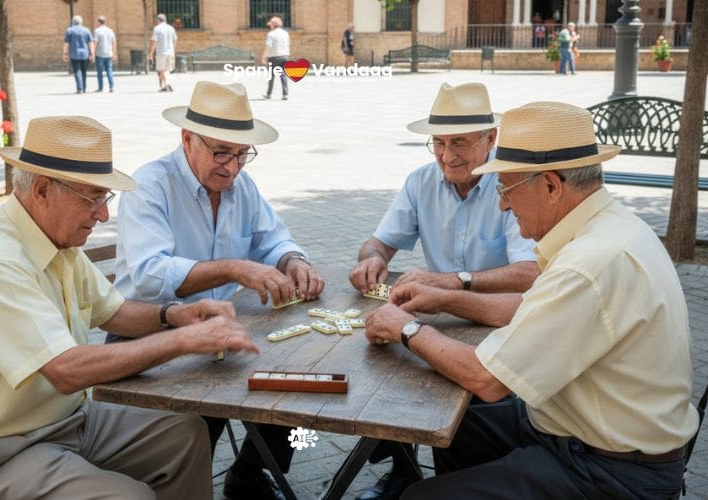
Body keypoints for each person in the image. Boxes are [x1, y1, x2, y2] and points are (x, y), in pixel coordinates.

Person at [365, 101, 699, 499]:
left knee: (420, 496)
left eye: (506, 188)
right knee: (462, 419)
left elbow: (486, 378)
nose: (503, 203)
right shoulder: (608, 227)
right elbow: (528, 310)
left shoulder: (586, 264)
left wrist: (404, 327)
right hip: (576, 428)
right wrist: (443, 299)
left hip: (612, 471)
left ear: (552, 186)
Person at [0, 115, 260, 499]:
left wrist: (175, 315)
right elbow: (66, 371)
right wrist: (185, 340)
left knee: (184, 433)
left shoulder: (54, 237)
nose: (103, 214)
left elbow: (114, 312)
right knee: (127, 497)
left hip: (65, 421)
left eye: (104, 198)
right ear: (44, 189)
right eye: (92, 197)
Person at [110, 81, 324, 499]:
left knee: (303, 386)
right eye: (221, 152)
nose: (232, 166)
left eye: (242, 154)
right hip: (152, 328)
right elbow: (149, 273)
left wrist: (294, 262)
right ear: (187, 138)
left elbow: (273, 239)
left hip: (222, 327)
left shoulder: (241, 186)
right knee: (202, 415)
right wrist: (234, 268)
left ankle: (253, 474)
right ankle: (183, 483)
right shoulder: (150, 184)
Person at [349, 82, 538, 500]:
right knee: (389, 365)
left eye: (460, 144)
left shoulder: (509, 183)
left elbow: (530, 272)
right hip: (439, 314)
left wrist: (454, 281)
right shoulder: (422, 181)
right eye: (438, 142)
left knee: (466, 393)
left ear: (491, 139)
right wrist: (372, 258)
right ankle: (405, 469)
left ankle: (462, 479)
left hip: (497, 322)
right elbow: (379, 239)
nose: (447, 156)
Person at [63, 15, 94, 94]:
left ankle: (79, 89)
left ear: (73, 22)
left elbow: (66, 43)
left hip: (74, 53)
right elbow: (90, 43)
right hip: (85, 54)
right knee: (84, 71)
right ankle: (83, 88)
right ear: (81, 22)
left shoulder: (70, 30)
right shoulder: (87, 30)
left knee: (77, 71)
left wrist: (65, 53)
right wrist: (92, 53)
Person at [262, 16, 290, 101]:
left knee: (271, 76)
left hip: (274, 57)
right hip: (284, 56)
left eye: (270, 24)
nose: (270, 26)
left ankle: (268, 94)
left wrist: (264, 56)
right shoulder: (285, 33)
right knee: (283, 75)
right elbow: (288, 44)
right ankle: (285, 94)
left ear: (273, 25)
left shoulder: (271, 34)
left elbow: (268, 46)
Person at [149, 13, 177, 92]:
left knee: (161, 70)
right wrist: (173, 50)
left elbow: (154, 42)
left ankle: (167, 84)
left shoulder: (157, 29)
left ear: (157, 20)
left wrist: (151, 53)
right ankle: (167, 85)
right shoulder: (171, 28)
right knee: (167, 70)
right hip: (170, 52)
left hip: (161, 52)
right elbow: (175, 40)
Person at [93, 15, 117, 93]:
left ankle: (100, 88)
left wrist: (93, 53)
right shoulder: (110, 30)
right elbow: (114, 43)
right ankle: (111, 87)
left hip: (100, 54)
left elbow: (95, 43)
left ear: (98, 22)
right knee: (109, 70)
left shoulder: (97, 31)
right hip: (109, 53)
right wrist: (114, 53)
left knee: (100, 72)